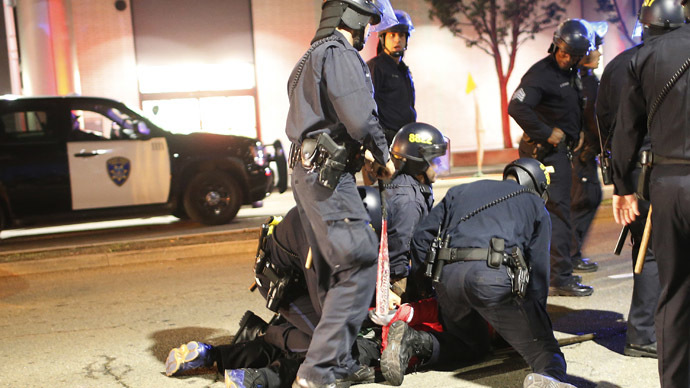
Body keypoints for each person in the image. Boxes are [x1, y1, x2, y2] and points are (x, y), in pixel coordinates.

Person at [379, 158, 576, 388]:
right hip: (491, 279)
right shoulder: (534, 203)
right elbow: (538, 274)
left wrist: (427, 287)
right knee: (546, 352)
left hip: (448, 279)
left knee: (470, 345)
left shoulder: (461, 191)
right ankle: (550, 378)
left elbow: (421, 238)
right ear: (536, 185)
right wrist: (534, 321)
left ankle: (411, 341)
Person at [284, 1, 397, 386]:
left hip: (307, 171)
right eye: (368, 20)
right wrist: (382, 153)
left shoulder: (308, 58)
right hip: (329, 176)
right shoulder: (339, 52)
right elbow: (359, 116)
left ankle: (339, 364)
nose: (369, 30)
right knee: (358, 261)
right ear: (352, 16)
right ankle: (317, 372)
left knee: (332, 273)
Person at [595, 0, 685, 359]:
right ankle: (645, 333)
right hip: (657, 168)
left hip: (631, 170)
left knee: (648, 253)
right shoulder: (668, 60)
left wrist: (619, 180)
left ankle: (649, 330)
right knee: (655, 258)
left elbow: (605, 121)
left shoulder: (620, 63)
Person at [508, 19, 595, 297]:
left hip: (559, 153)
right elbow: (517, 107)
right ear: (555, 45)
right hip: (544, 154)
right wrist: (548, 133)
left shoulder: (571, 73)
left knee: (549, 213)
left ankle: (544, 272)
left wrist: (575, 133)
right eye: (562, 51)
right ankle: (560, 276)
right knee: (558, 213)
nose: (565, 57)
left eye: (572, 54)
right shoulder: (541, 74)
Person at [569, 21, 608, 274]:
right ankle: (570, 255)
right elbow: (595, 121)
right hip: (581, 155)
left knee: (585, 200)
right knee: (584, 200)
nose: (600, 53)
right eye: (597, 47)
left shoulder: (581, 79)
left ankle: (571, 254)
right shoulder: (584, 83)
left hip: (582, 153)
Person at [366, 9, 417, 146]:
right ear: (383, 39)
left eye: (401, 35)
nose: (397, 40)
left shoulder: (404, 70)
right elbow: (367, 107)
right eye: (392, 35)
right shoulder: (375, 67)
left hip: (405, 139)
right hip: (385, 142)